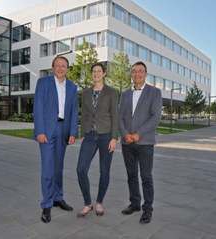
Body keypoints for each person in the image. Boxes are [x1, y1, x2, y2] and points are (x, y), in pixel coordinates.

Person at [33, 55, 79, 223]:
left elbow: (74, 111)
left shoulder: (73, 87)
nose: (60, 68)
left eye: (64, 66)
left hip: (63, 130)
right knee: (48, 167)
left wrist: (73, 132)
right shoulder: (43, 83)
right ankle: (47, 203)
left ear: (67, 69)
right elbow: (37, 107)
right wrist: (40, 131)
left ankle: (58, 197)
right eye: (57, 65)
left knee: (58, 167)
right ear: (53, 68)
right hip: (46, 130)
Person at [118, 61, 162, 224]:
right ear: (131, 74)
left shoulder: (154, 92)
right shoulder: (125, 94)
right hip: (127, 142)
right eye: (134, 71)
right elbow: (120, 116)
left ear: (145, 74)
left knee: (146, 176)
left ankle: (147, 209)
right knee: (131, 175)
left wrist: (138, 134)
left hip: (145, 143)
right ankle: (135, 203)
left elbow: (155, 117)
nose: (137, 74)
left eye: (140, 71)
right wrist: (125, 134)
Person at [76, 62, 119, 217]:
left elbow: (115, 115)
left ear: (104, 73)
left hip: (106, 135)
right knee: (81, 169)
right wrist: (82, 134)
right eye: (93, 71)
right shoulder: (86, 92)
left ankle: (99, 202)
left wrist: (114, 138)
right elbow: (85, 114)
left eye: (99, 71)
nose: (96, 73)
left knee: (104, 170)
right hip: (89, 135)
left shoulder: (112, 92)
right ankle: (88, 203)